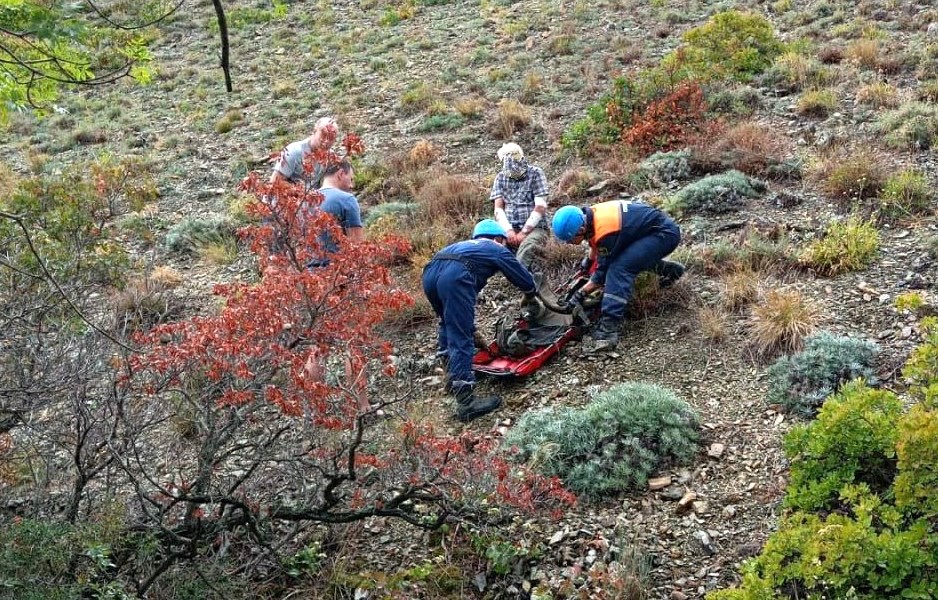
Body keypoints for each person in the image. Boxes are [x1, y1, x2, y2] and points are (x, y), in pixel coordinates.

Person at [422, 219, 540, 423]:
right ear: (498, 238)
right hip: (455, 277)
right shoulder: (494, 247)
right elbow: (520, 275)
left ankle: (451, 378)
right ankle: (466, 402)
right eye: (503, 242)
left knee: (447, 323)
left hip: (430, 274)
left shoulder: (464, 246)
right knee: (461, 334)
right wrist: (531, 293)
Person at [551, 199, 685, 352]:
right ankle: (672, 272)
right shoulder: (589, 216)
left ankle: (608, 330)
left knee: (619, 269)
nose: (568, 243)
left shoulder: (606, 230)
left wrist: (580, 294)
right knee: (630, 259)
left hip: (664, 235)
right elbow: (595, 243)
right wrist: (587, 262)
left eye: (570, 239)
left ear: (581, 229)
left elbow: (601, 274)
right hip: (651, 231)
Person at [489, 143, 549, 271]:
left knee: (526, 248)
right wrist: (509, 230)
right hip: (510, 228)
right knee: (494, 248)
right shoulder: (500, 178)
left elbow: (540, 206)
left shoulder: (536, 174)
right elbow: (498, 209)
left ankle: (521, 276)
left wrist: (524, 232)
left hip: (535, 229)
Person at [270, 116, 338, 189]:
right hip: (286, 198)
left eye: (331, 138)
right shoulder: (294, 151)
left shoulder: (331, 157)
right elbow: (274, 182)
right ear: (314, 132)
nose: (326, 141)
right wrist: (299, 191)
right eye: (323, 135)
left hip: (312, 197)